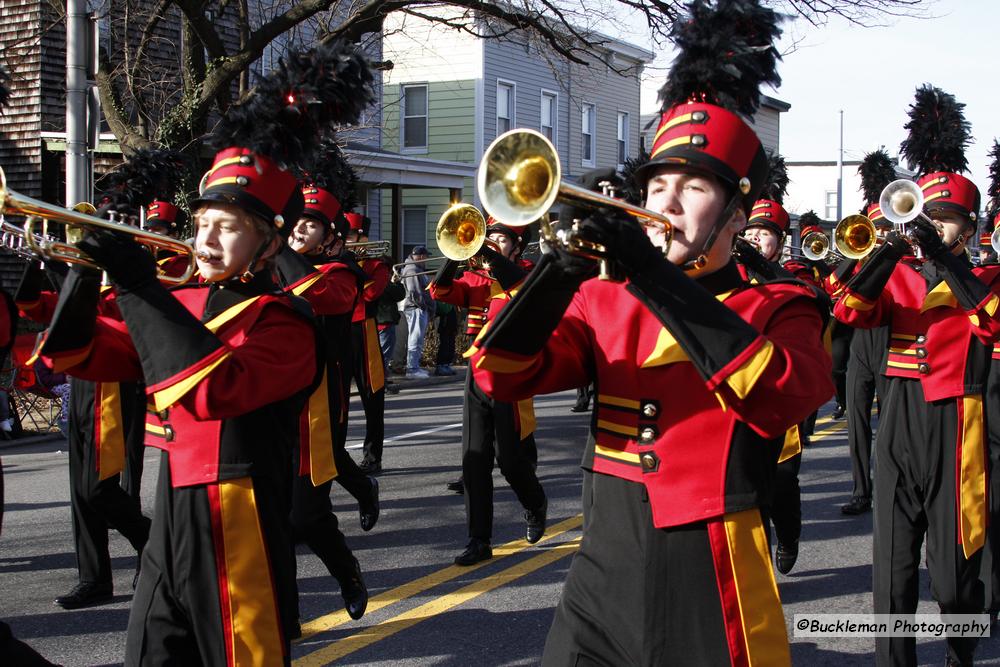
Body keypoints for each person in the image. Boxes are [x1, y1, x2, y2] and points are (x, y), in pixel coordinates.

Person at [471, 1, 832, 661]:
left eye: (692, 186)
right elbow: (499, 373)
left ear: (736, 213)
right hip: (600, 566)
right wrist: (554, 272)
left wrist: (649, 273)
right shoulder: (605, 295)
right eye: (657, 183)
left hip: (710, 564)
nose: (664, 201)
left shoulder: (780, 305)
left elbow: (784, 395)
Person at [38, 40, 373, 663]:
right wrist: (87, 268)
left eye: (226, 227)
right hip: (169, 510)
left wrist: (137, 283)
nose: (205, 241)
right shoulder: (183, 301)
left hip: (237, 515)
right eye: (200, 225)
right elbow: (74, 354)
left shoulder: (286, 324)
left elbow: (211, 389)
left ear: (269, 244)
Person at [833, 84, 1000, 667]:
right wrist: (885, 250)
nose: (936, 227)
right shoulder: (898, 274)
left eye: (948, 220)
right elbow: (847, 311)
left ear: (969, 226)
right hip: (899, 415)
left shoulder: (987, 277)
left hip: (959, 422)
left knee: (956, 576)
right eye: (928, 217)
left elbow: (993, 323)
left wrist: (949, 260)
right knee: (893, 568)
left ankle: (962, 647)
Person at [431, 222, 548, 565]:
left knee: (511, 460)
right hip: (476, 374)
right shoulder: (478, 279)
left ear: (517, 246)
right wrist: (455, 254)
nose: (493, 244)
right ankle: (478, 539)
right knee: (474, 459)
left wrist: (484, 250)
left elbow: (518, 287)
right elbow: (440, 291)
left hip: (511, 374)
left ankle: (534, 502)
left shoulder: (528, 273)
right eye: (490, 238)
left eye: (500, 239)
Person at [836, 149, 897, 516]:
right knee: (857, 420)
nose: (881, 235)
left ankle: (892, 485)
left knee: (890, 422)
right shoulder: (856, 257)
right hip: (861, 342)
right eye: (877, 229)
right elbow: (835, 293)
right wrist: (860, 254)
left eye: (885, 229)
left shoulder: (901, 256)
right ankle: (861, 490)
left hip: (891, 339)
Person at [344, 213, 390, 473]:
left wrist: (352, 265)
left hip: (364, 331)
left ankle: (373, 457)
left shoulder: (377, 263)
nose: (346, 240)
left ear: (362, 237)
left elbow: (370, 293)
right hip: (339, 329)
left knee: (372, 398)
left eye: (350, 236)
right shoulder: (335, 259)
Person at [399, 245, 434, 378]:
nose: (426, 260)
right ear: (420, 256)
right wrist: (424, 306)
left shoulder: (415, 269)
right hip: (415, 308)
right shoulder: (412, 270)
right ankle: (412, 369)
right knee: (415, 339)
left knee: (416, 338)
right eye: (425, 257)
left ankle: (414, 367)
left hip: (417, 307)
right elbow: (414, 292)